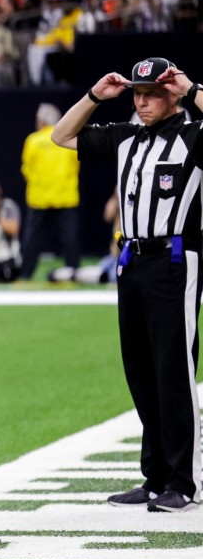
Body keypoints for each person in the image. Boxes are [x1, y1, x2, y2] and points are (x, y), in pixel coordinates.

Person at [51, 57, 202, 513]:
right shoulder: (125, 136)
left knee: (174, 372)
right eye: (138, 93)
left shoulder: (193, 135)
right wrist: (95, 96)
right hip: (131, 259)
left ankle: (184, 480)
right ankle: (155, 478)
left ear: (171, 93)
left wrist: (193, 87)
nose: (141, 100)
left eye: (152, 92)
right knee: (142, 373)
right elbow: (61, 136)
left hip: (175, 259)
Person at [19, 103, 81, 281]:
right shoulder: (67, 139)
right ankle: (74, 271)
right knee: (69, 237)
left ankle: (26, 273)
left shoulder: (33, 140)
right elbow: (76, 164)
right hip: (65, 195)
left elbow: (26, 168)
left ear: (40, 121)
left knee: (33, 238)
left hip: (39, 197)